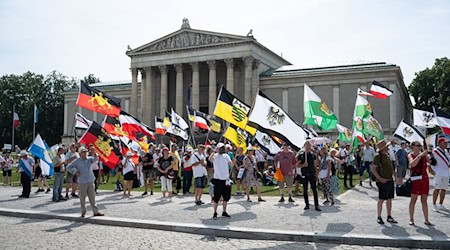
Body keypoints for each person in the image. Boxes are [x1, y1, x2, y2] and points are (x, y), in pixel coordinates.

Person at [67, 146, 104, 217]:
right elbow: (68, 167)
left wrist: (94, 153)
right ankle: (83, 211)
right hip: (82, 181)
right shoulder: (77, 161)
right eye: (83, 152)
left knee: (92, 197)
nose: (85, 153)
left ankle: (95, 211)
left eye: (86, 152)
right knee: (82, 197)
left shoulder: (89, 159)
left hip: (90, 180)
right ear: (80, 153)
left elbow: (96, 159)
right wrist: (75, 171)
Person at [371, 140, 397, 225]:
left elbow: (391, 167)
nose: (388, 147)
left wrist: (394, 175)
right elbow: (373, 169)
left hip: (389, 180)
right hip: (382, 181)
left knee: (389, 198)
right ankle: (379, 216)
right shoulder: (378, 156)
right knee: (381, 199)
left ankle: (389, 216)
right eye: (386, 146)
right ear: (383, 148)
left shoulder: (387, 155)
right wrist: (380, 178)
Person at [408, 141, 432, 225]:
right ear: (413, 146)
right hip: (416, 179)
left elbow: (432, 162)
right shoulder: (410, 155)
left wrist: (430, 154)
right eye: (417, 145)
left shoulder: (424, 155)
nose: (419, 147)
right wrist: (420, 155)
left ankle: (426, 219)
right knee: (413, 199)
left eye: (420, 145)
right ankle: (411, 219)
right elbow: (412, 164)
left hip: (424, 179)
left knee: (424, 200)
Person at [209, 143, 233, 219]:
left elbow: (231, 164)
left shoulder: (226, 156)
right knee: (216, 197)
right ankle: (215, 212)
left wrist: (233, 162)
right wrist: (214, 151)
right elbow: (210, 159)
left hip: (225, 179)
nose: (222, 149)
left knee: (226, 197)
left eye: (223, 148)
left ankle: (224, 211)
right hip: (218, 179)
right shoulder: (215, 156)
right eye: (220, 148)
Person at [298, 141, 320, 211]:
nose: (308, 147)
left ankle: (316, 205)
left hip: (312, 174)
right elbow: (297, 165)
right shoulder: (301, 155)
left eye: (309, 146)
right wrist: (303, 165)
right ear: (304, 147)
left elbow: (315, 165)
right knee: (305, 190)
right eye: (307, 146)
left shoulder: (312, 155)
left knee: (314, 190)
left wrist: (316, 174)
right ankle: (307, 204)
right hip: (305, 174)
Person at [431, 137, 449, 212]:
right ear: (440, 143)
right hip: (438, 172)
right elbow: (431, 161)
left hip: (446, 172)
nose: (446, 144)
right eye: (444, 143)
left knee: (444, 189)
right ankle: (434, 204)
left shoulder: (445, 151)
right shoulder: (435, 151)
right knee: (437, 189)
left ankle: (441, 204)